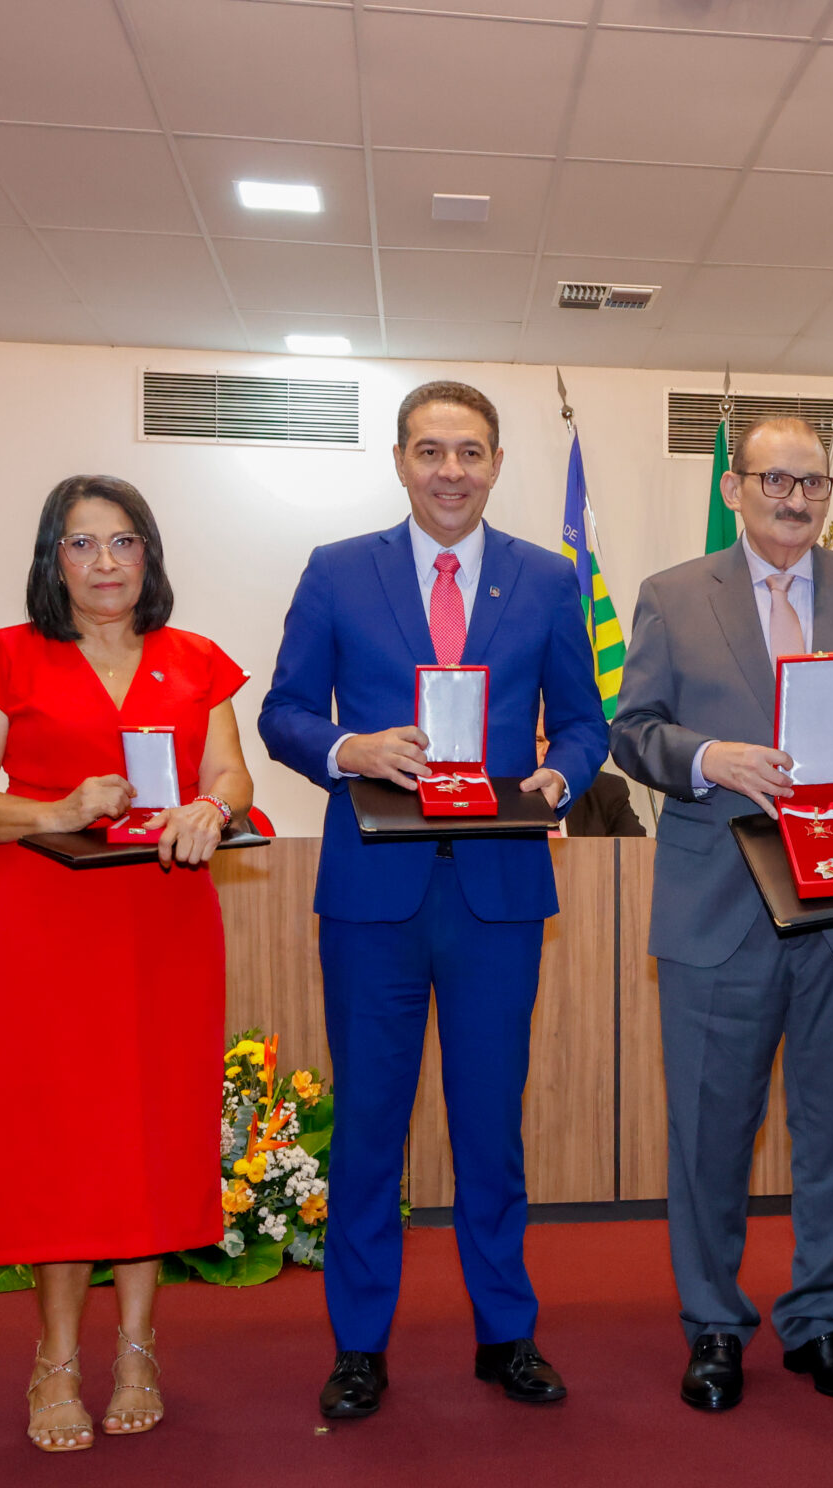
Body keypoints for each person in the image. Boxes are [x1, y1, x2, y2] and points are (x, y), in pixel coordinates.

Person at [260, 381, 608, 1424]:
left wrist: (560, 777)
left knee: (490, 1127)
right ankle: (359, 1344)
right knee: (369, 1126)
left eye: (469, 452)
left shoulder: (547, 578)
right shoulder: (336, 570)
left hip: (498, 892)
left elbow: (584, 723)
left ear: (496, 463)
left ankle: (505, 1332)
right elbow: (282, 711)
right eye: (429, 451)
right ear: (400, 461)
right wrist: (349, 748)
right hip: (374, 893)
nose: (449, 471)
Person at [0, 475, 255, 1452]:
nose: (105, 562)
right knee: (58, 1139)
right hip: (46, 930)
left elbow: (230, 772)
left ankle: (140, 1347)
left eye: (123, 542)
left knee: (152, 1130)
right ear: (52, 559)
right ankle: (57, 1358)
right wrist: (52, 811)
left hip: (165, 927)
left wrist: (215, 806)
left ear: (150, 554)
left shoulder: (197, 661)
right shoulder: (6, 657)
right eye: (81, 544)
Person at [611, 411, 833, 1412]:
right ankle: (714, 1324)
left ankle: (820, 1321)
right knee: (709, 1133)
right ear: (733, 488)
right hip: (719, 906)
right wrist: (710, 758)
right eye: (775, 481)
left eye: (812, 482)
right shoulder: (672, 595)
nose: (795, 500)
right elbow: (634, 731)